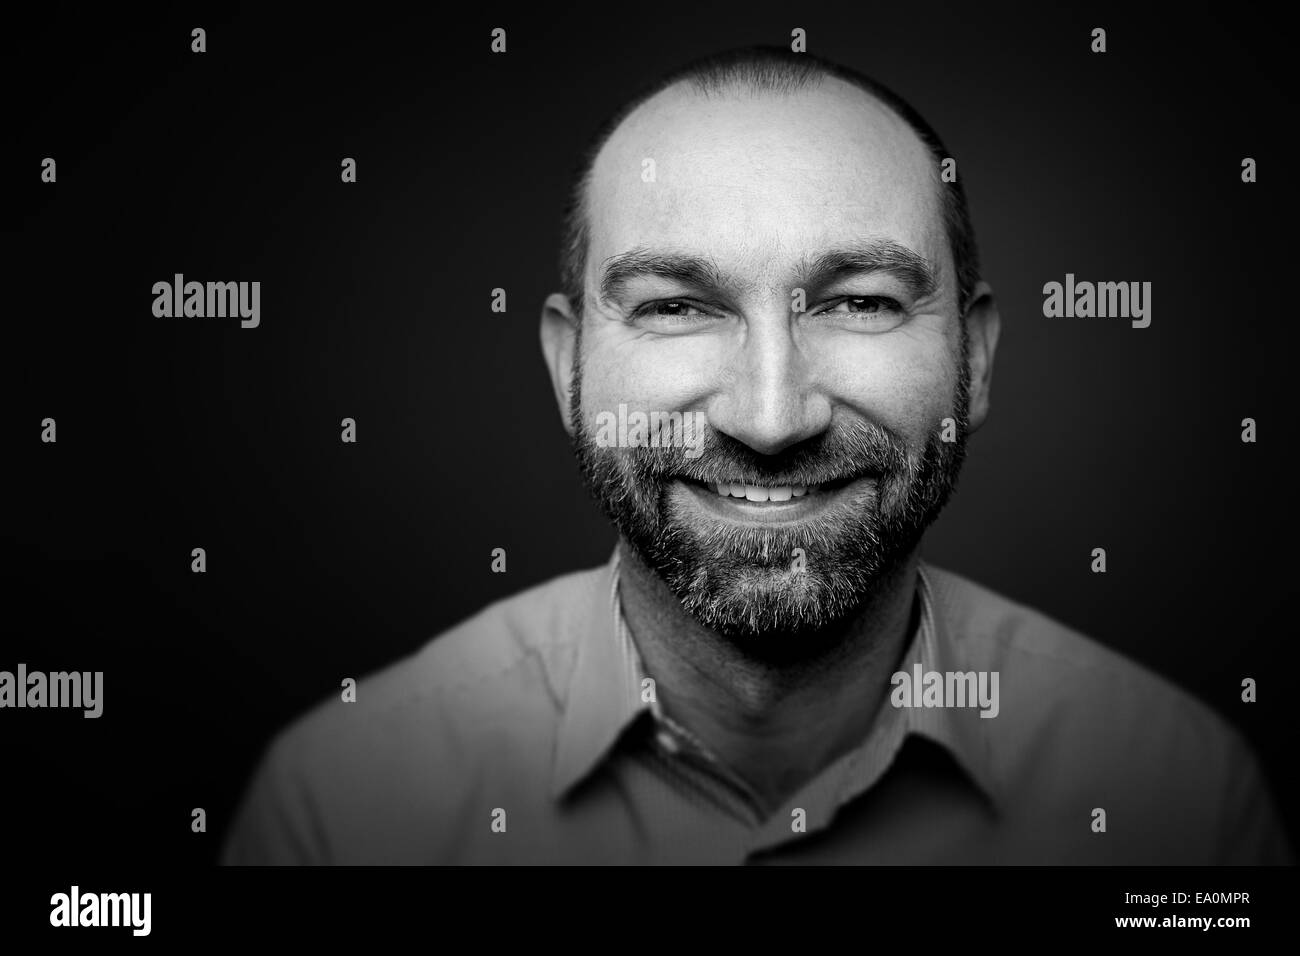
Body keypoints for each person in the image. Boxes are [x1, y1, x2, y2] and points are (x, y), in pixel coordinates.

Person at [223, 46, 1291, 865]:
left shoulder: (1178, 798)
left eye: (860, 301)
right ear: (568, 368)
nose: (772, 418)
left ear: (972, 361)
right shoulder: (340, 806)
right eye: (678, 306)